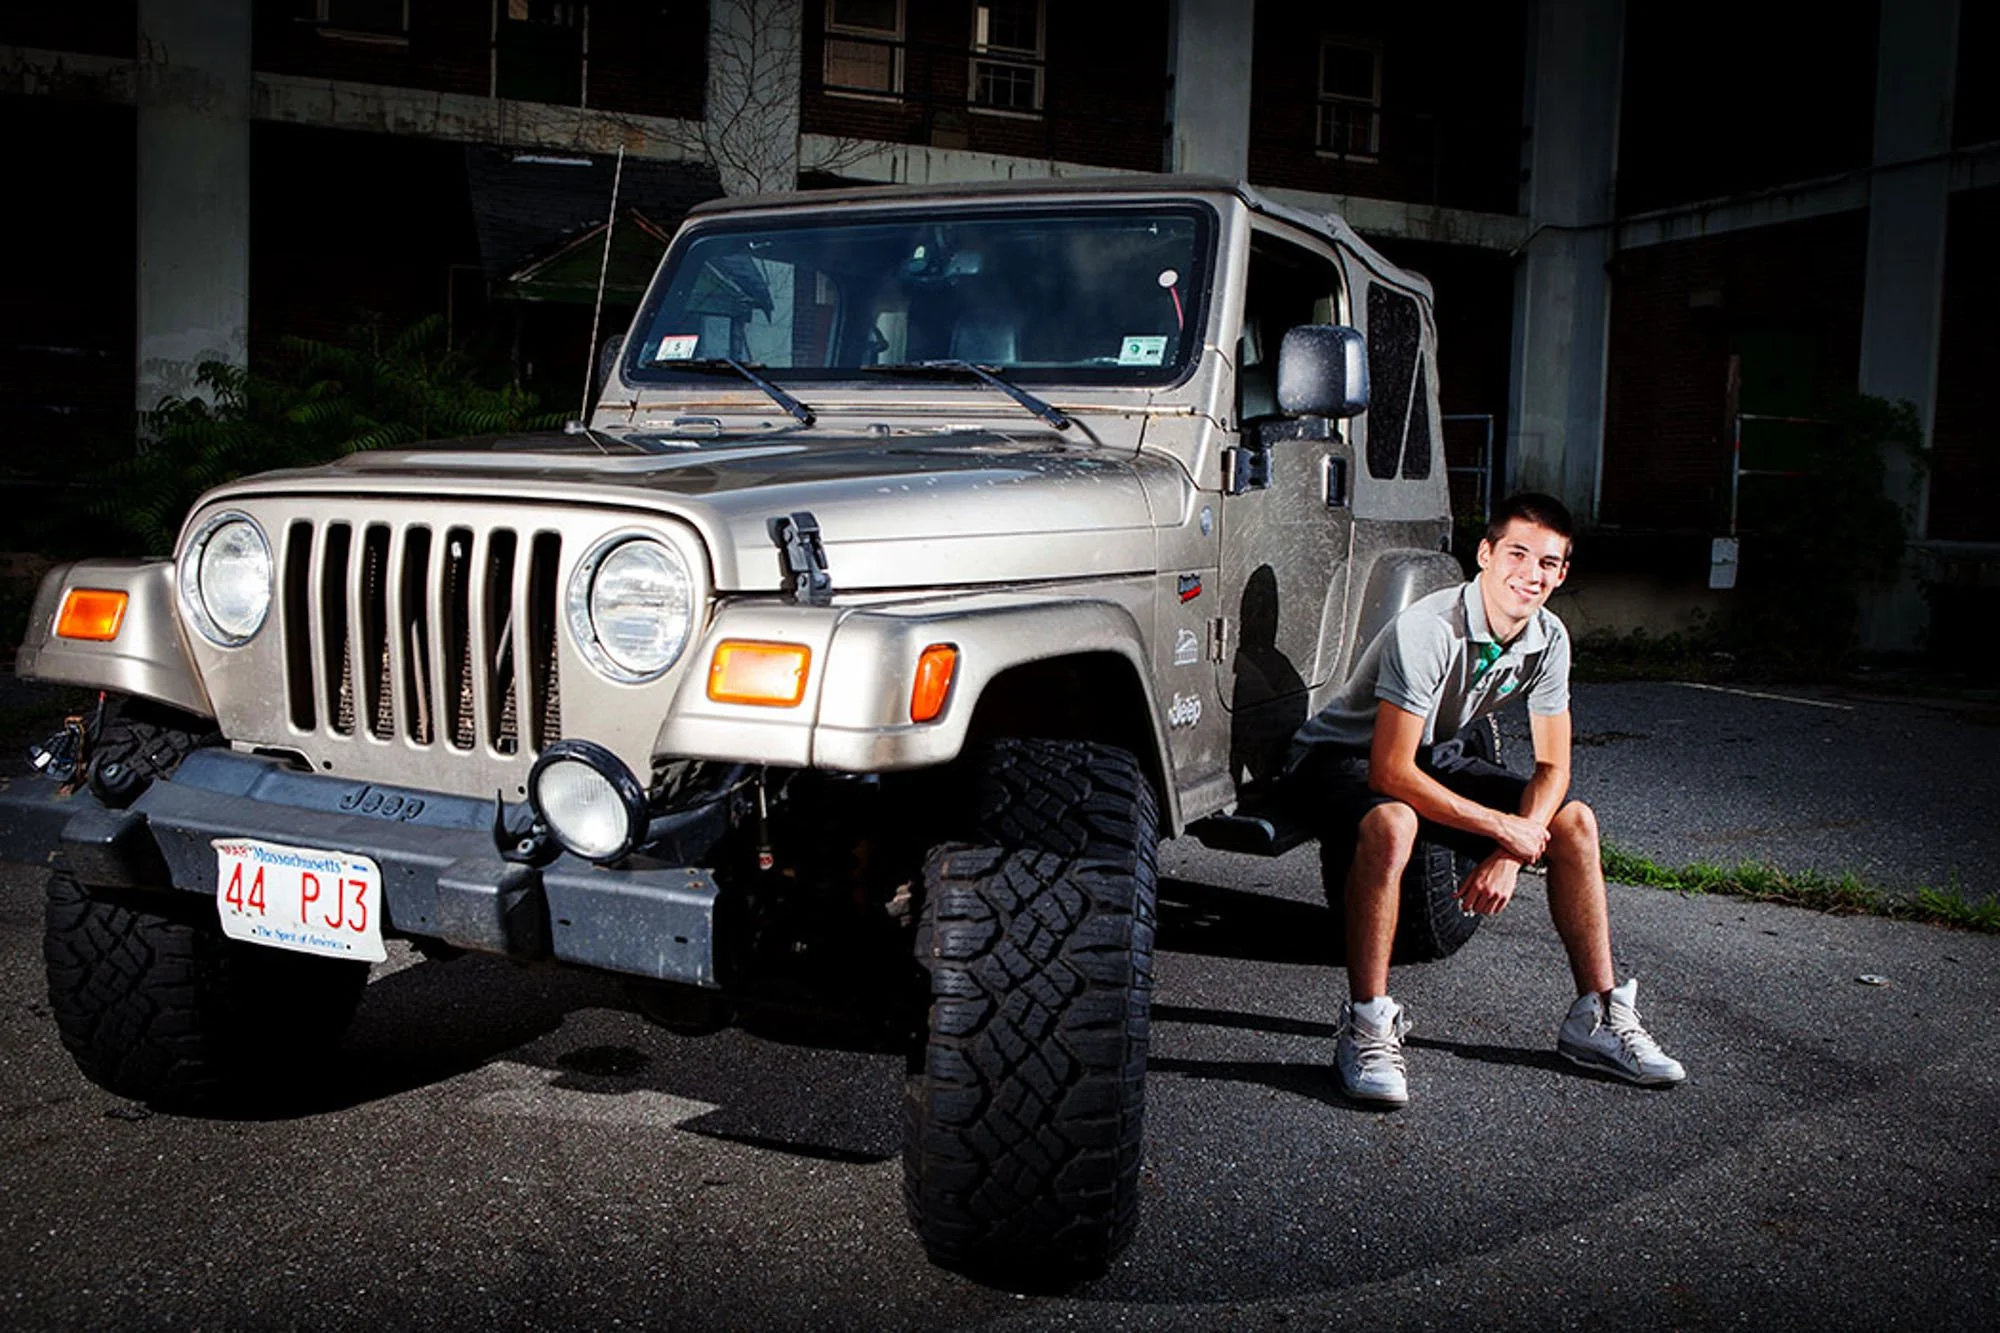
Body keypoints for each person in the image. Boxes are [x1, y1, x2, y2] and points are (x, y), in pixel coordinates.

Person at [1287, 492, 1685, 1108]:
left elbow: (1554, 766)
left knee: (1574, 822)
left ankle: (1598, 1018)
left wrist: (1512, 844)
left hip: (1430, 751)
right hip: (1342, 756)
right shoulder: (1430, 628)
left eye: (1549, 563)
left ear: (1563, 574)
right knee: (1394, 823)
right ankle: (1366, 1026)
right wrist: (1505, 827)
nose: (1532, 573)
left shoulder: (1549, 638)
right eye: (1518, 554)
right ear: (1485, 554)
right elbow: (1390, 771)